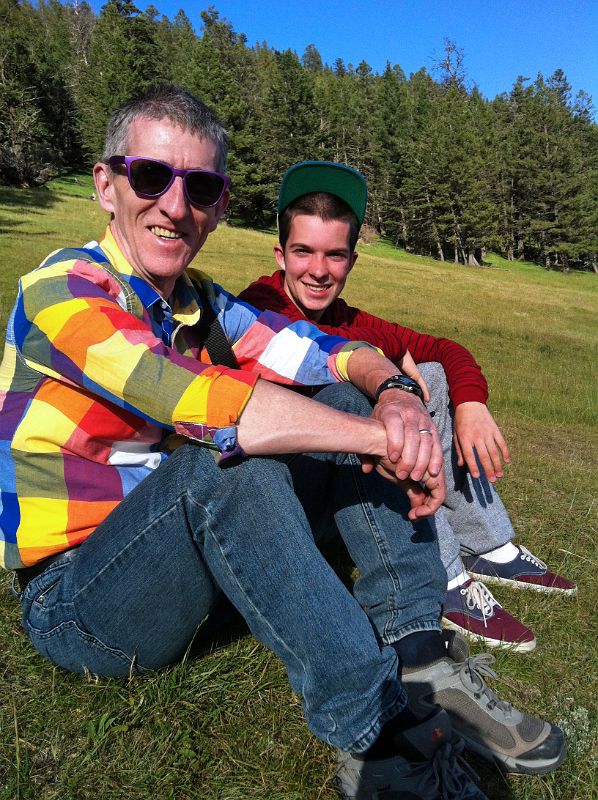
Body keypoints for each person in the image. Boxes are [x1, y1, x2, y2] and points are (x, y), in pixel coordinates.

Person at [0, 87, 565, 800]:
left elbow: (317, 349)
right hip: (80, 600)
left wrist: (388, 392)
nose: (175, 206)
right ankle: (377, 737)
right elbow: (205, 405)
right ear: (105, 185)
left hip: (174, 559)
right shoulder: (63, 290)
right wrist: (379, 439)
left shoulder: (198, 301)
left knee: (333, 394)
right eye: (150, 176)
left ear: (219, 206)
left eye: (199, 187)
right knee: (228, 457)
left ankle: (421, 653)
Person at [239, 160, 576, 653]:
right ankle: (439, 573)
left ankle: (487, 543)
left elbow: (444, 348)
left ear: (352, 262)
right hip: (290, 498)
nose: (318, 270)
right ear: (280, 254)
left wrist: (471, 405)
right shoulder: (257, 307)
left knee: (433, 378)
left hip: (349, 481)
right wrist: (389, 386)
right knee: (361, 398)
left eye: (335, 255)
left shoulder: (350, 319)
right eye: (303, 252)